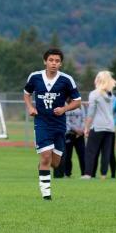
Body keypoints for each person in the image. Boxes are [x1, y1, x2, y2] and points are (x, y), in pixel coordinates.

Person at [23, 48, 81, 200]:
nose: (54, 63)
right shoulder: (35, 77)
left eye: (57, 61)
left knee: (55, 163)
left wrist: (64, 109)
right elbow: (27, 93)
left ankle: (43, 165)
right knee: (46, 157)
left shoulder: (66, 80)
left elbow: (78, 101)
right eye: (51, 60)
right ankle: (46, 196)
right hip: (42, 122)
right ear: (45, 61)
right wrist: (30, 107)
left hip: (59, 125)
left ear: (60, 63)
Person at [82, 71, 116, 180]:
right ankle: (103, 175)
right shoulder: (110, 95)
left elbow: (91, 113)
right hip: (110, 126)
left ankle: (88, 174)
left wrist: (86, 128)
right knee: (106, 152)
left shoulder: (94, 94)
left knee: (90, 151)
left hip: (98, 126)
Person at [54, 98, 86, 178]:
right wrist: (75, 129)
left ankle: (84, 173)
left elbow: (84, 119)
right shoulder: (64, 105)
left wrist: (81, 130)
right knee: (68, 155)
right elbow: (66, 121)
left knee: (82, 154)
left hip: (80, 134)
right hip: (69, 133)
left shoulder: (80, 105)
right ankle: (67, 173)